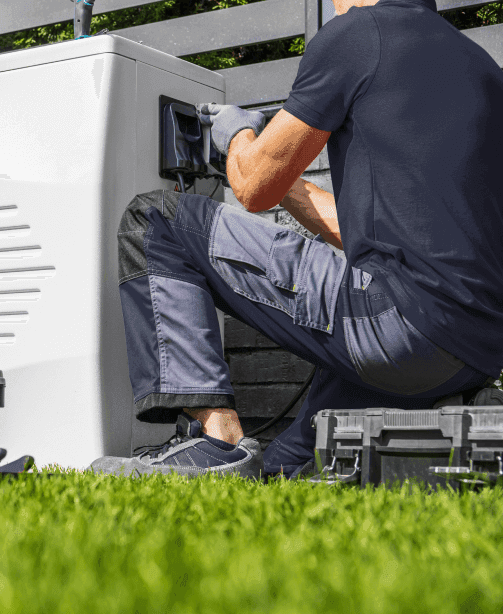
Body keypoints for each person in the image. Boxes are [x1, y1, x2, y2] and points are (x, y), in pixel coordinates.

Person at [90, 0, 503, 478]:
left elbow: (251, 186)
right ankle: (455, 405)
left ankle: (215, 442)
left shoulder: (359, 34)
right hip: (471, 350)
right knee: (286, 470)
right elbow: (377, 232)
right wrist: (276, 169)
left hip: (395, 326)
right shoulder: (483, 69)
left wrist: (237, 136)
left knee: (156, 220)